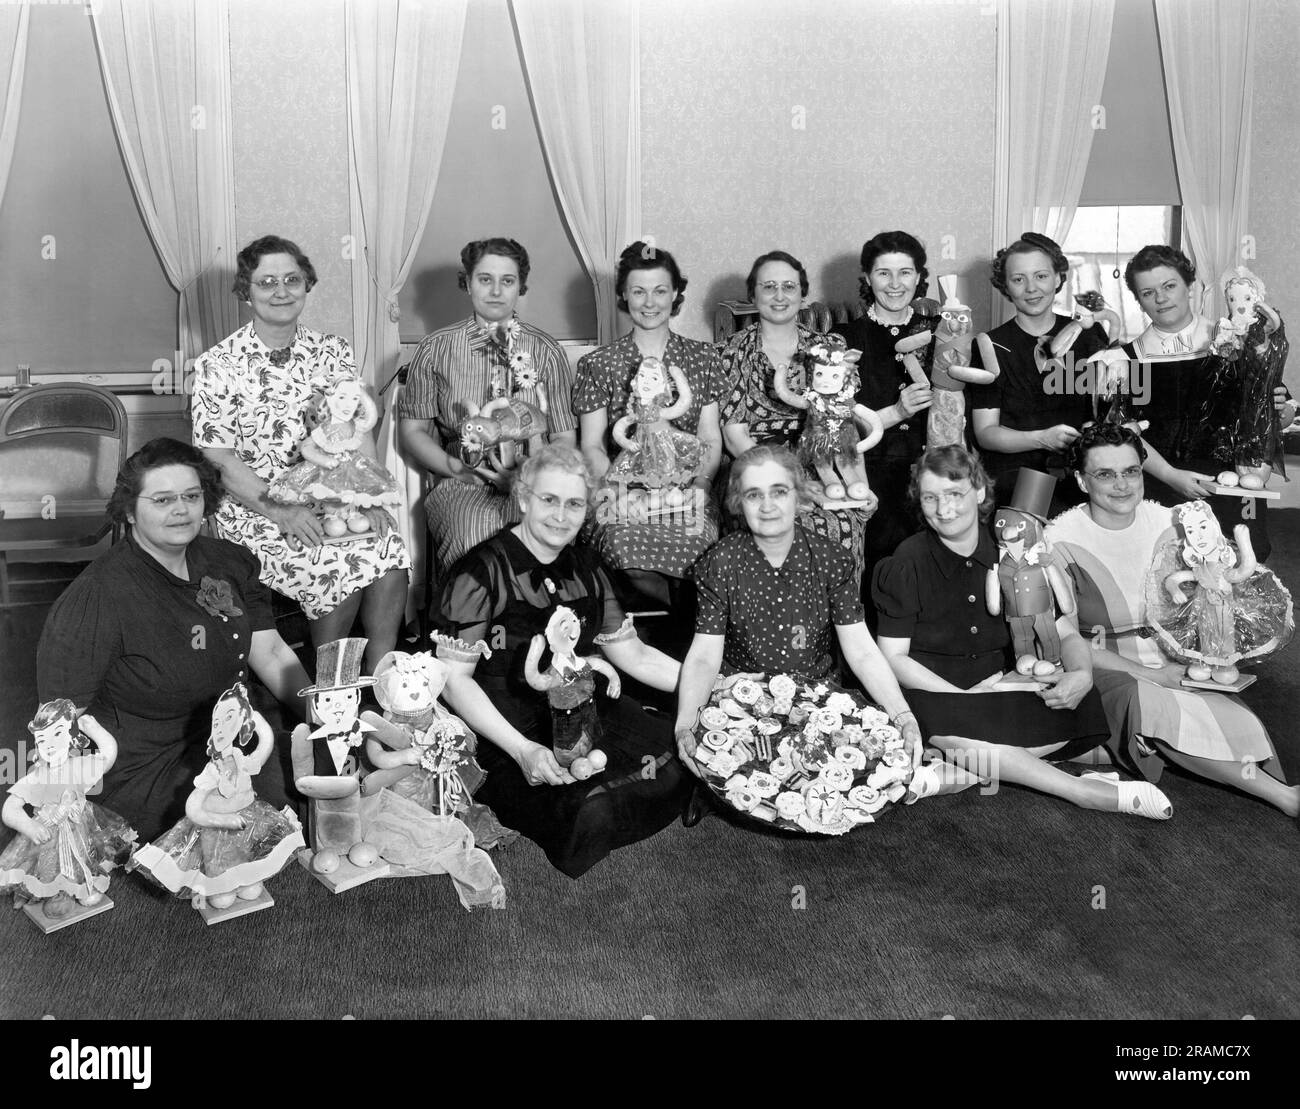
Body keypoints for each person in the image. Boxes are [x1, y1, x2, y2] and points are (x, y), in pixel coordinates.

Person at [36, 438, 313, 841]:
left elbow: (269, 651)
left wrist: (320, 713)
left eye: (191, 496)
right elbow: (60, 717)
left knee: (323, 769)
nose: (181, 509)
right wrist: (67, 808)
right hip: (142, 761)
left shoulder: (229, 561)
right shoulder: (95, 596)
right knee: (238, 826)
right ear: (130, 510)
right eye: (162, 500)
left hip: (225, 739)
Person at [432, 444, 690, 878]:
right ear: (524, 499)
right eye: (549, 500)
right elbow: (454, 681)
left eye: (574, 504)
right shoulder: (477, 572)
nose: (561, 515)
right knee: (591, 811)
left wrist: (715, 685)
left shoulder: (588, 566)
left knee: (687, 752)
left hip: (581, 705)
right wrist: (522, 751)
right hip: (503, 725)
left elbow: (636, 656)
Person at [871, 445, 1169, 817]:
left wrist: (1081, 674)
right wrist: (962, 698)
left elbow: (1065, 633)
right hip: (933, 693)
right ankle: (1080, 790)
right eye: (931, 498)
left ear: (979, 491)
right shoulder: (906, 562)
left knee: (1082, 701)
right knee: (929, 718)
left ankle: (959, 770)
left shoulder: (1016, 550)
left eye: (954, 494)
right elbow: (893, 657)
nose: (944, 509)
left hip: (1004, 687)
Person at [1045, 422, 1298, 818]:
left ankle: (1111, 749)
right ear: (1080, 480)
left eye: (1131, 471)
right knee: (1147, 700)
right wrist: (1149, 675)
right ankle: (1284, 797)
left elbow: (1208, 596)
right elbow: (1064, 636)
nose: (1122, 485)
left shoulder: (1173, 523)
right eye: (1105, 474)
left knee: (1234, 721)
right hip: (1104, 663)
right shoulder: (1059, 539)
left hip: (1176, 657)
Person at [192, 234, 409, 672]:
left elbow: (356, 431)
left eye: (292, 279)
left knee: (390, 551)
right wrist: (283, 511)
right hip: (256, 507)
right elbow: (218, 459)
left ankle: (385, 686)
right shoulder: (217, 364)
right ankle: (332, 688)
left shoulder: (332, 351)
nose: (281, 290)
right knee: (337, 563)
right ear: (246, 292)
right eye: (266, 281)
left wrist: (368, 497)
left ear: (307, 284)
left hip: (332, 497)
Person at [674, 445, 928, 781]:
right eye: (753, 495)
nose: (767, 506)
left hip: (816, 699)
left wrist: (902, 715)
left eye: (779, 491)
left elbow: (863, 651)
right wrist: (685, 725)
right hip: (741, 699)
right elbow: (705, 656)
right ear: (738, 502)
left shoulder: (831, 559)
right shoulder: (720, 562)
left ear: (800, 497)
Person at [399, 237, 576, 578]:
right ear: (467, 282)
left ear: (520, 287)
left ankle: (536, 626)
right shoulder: (435, 348)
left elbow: (565, 436)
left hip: (534, 480)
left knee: (540, 536)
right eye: (485, 279)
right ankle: (474, 627)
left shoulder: (546, 351)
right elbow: (413, 432)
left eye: (507, 281)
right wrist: (454, 468)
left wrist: (533, 476)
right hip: (464, 479)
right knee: (475, 539)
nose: (496, 291)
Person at [1109, 244, 1289, 561]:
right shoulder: (1126, 361)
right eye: (1148, 292)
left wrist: (1281, 409)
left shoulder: (1236, 342)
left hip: (1232, 486)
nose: (1161, 298)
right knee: (1167, 572)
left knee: (1240, 566)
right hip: (1160, 484)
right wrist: (1170, 475)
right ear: (1138, 300)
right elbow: (1124, 434)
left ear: (1190, 286)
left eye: (1169, 286)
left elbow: (1274, 413)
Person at [573, 241, 725, 605]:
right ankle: (677, 631)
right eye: (638, 292)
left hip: (687, 490)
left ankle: (687, 635)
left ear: (675, 294)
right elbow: (592, 445)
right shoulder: (599, 363)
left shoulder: (703, 358)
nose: (650, 302)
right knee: (622, 546)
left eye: (660, 291)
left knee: (699, 547)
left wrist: (702, 484)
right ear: (624, 296)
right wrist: (619, 492)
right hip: (621, 489)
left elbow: (709, 437)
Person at [719, 250, 875, 580]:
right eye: (768, 287)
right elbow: (736, 439)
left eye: (789, 286)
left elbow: (842, 426)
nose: (779, 296)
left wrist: (860, 486)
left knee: (844, 523)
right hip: (757, 471)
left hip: (825, 463)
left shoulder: (829, 347)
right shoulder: (729, 353)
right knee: (789, 526)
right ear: (753, 295)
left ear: (803, 294)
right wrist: (794, 484)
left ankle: (839, 629)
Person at [969, 231, 1111, 512]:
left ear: (1058, 278)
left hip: (1085, 473)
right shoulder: (990, 345)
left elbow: (1107, 406)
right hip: (1020, 478)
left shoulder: (1089, 334)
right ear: (1006, 286)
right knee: (1030, 549)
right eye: (1018, 279)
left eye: (1041, 276)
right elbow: (985, 432)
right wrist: (1041, 438)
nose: (1031, 288)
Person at [832, 231, 937, 585]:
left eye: (905, 273)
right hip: (868, 472)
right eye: (883, 273)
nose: (895, 284)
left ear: (920, 277)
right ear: (867, 278)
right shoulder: (845, 339)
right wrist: (897, 412)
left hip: (931, 468)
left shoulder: (941, 335)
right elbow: (835, 425)